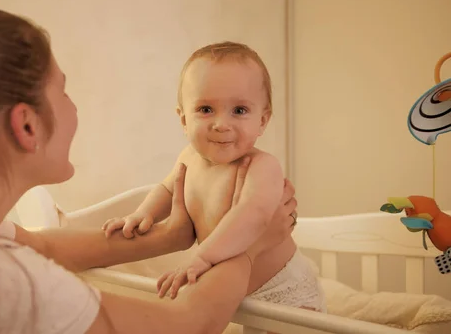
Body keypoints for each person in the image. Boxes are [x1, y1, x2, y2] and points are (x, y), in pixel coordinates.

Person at [0, 5, 298, 334]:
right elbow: (190, 324)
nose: (74, 107)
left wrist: (170, 236)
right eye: (63, 92)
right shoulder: (2, 278)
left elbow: (45, 245)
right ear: (26, 124)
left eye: (239, 109)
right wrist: (251, 247)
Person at [103, 42, 326, 314]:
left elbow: (253, 214)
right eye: (206, 109)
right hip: (233, 288)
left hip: (281, 289)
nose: (221, 123)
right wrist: (143, 214)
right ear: (184, 120)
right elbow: (167, 189)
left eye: (240, 111)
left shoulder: (262, 166)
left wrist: (203, 257)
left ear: (263, 120)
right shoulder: (188, 158)